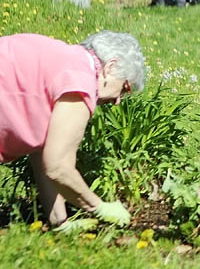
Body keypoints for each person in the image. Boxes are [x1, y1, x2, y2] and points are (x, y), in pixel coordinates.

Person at [0, 31, 147, 230]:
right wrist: (99, 207)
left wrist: (60, 221)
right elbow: (58, 167)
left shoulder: (65, 58)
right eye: (124, 88)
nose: (117, 101)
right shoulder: (80, 80)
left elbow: (44, 152)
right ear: (110, 67)